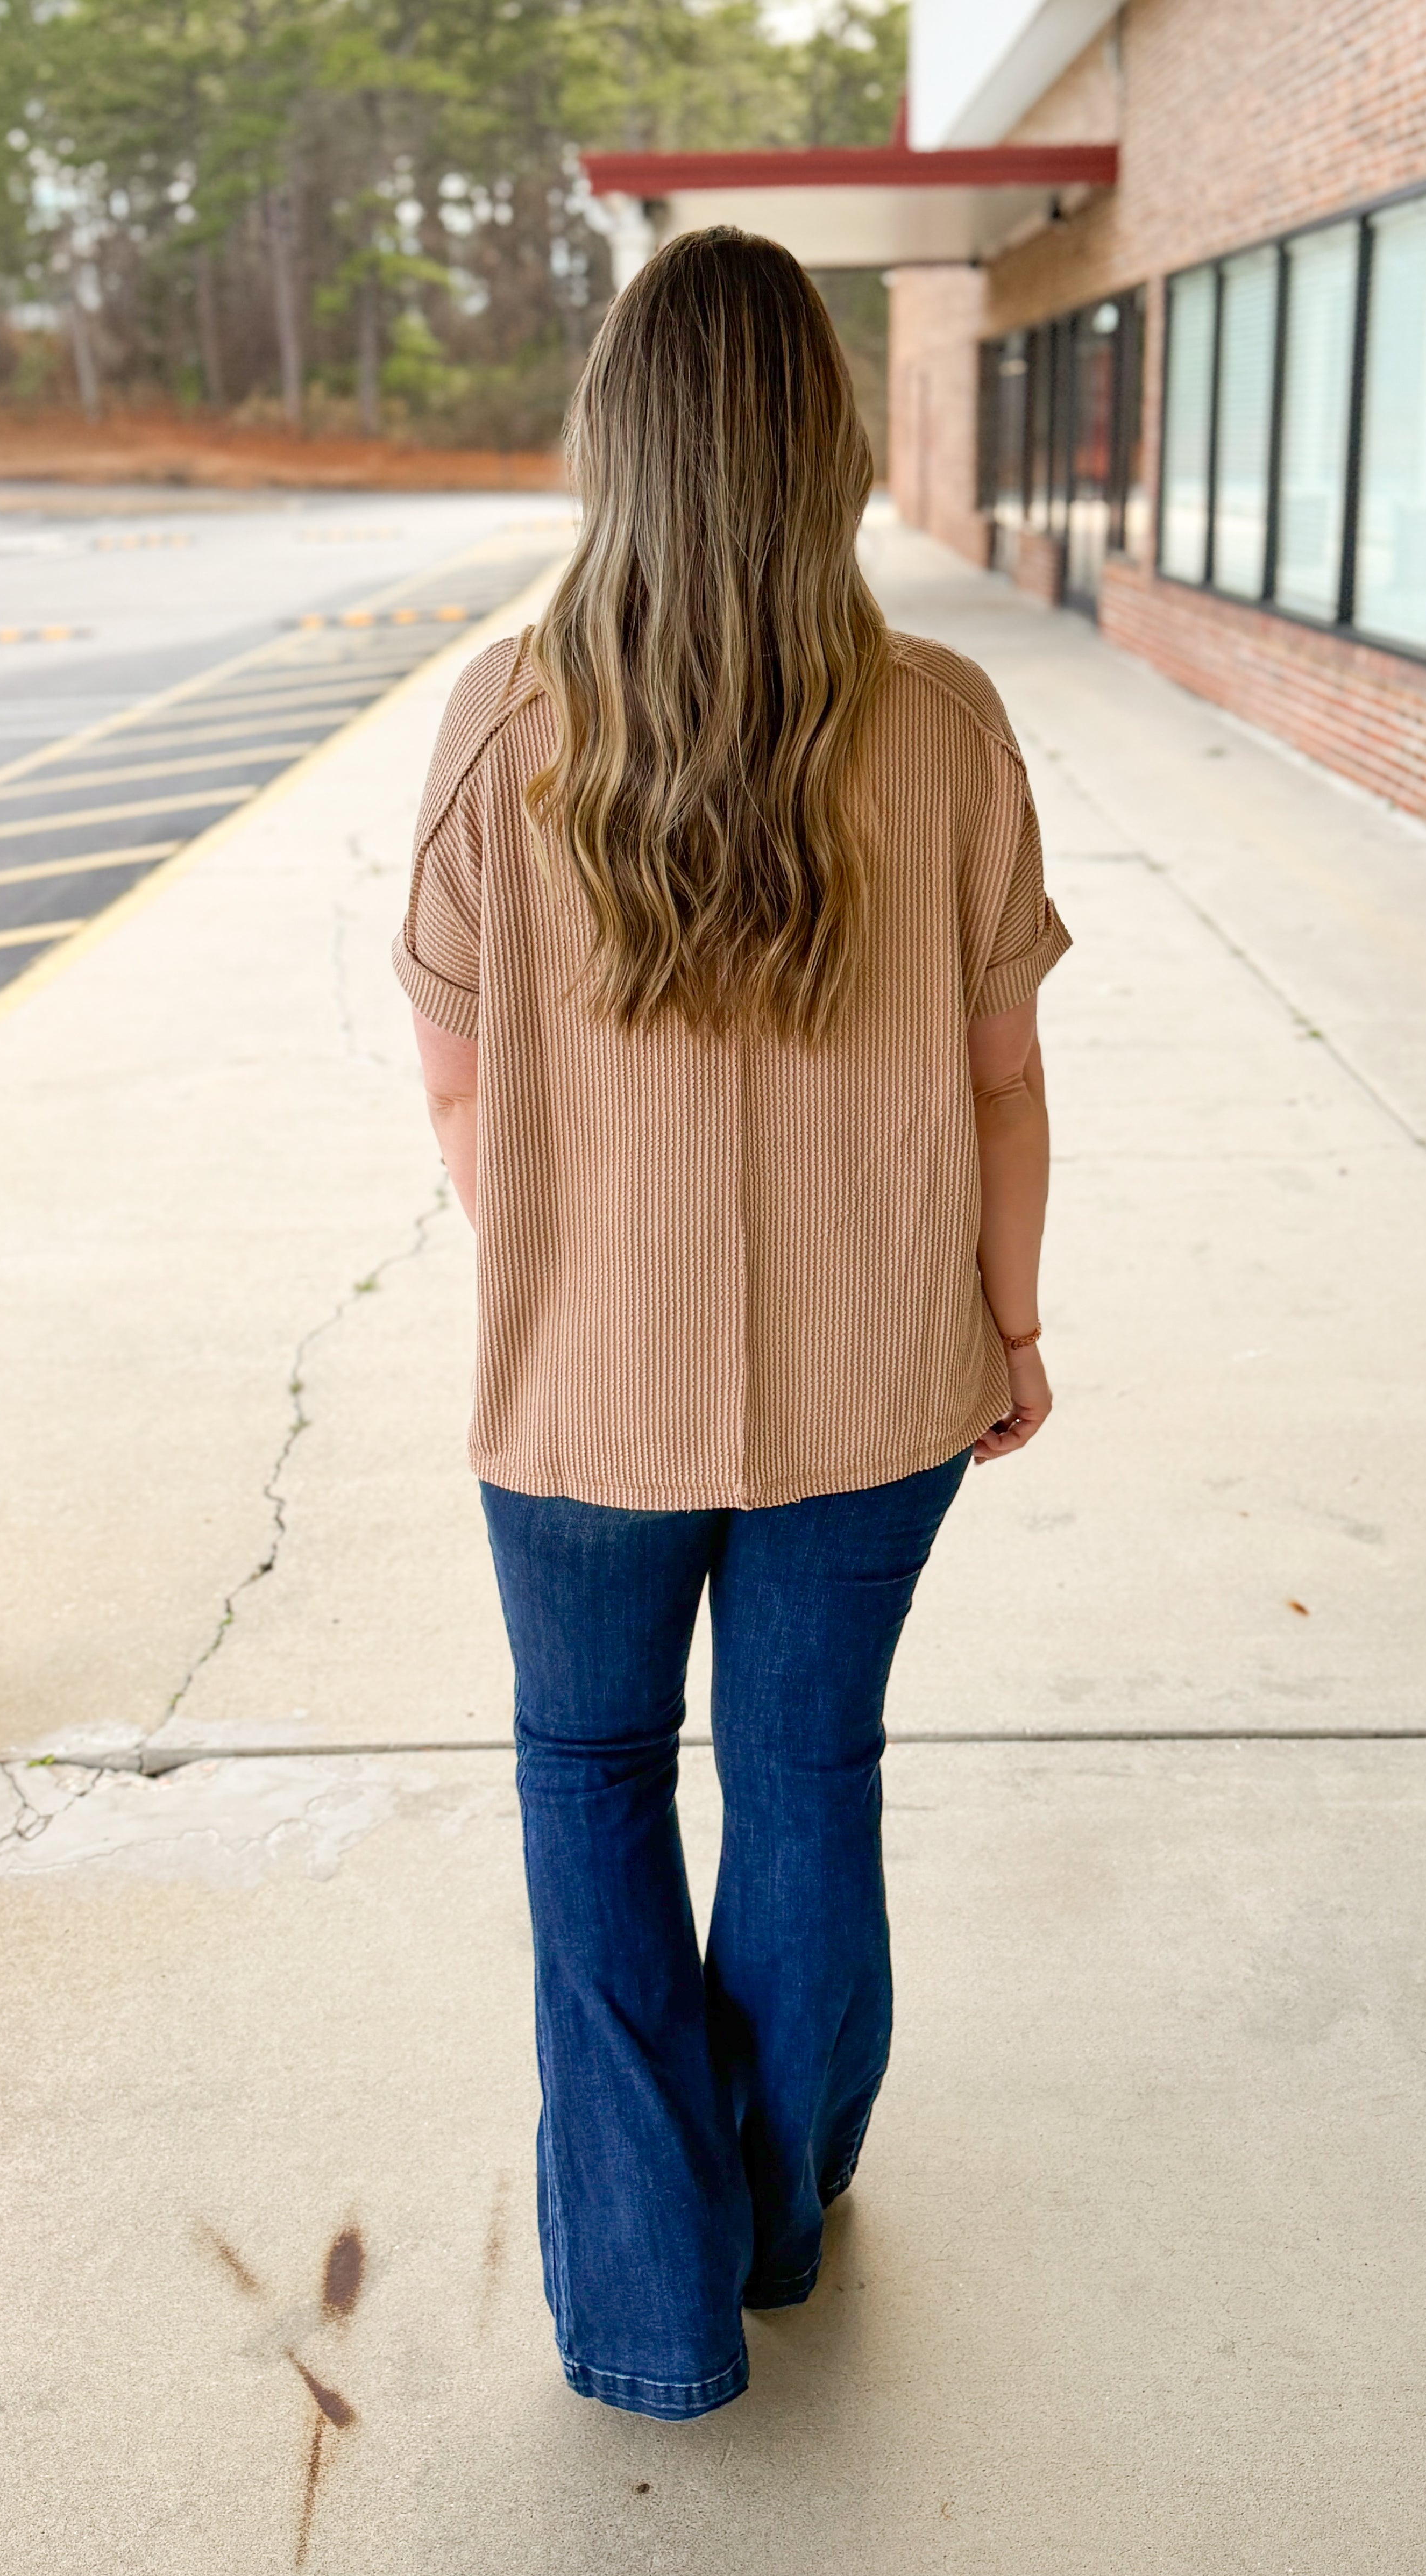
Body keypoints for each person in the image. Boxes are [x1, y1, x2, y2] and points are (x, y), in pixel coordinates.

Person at [395, 227, 1070, 2422]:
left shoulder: (504, 712)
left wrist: (581, 1292)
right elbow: (999, 1081)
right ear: (828, 447)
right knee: (806, 1776)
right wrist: (1008, 1316)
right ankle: (778, 2219)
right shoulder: (946, 725)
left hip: (581, 1401)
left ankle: (651, 2309)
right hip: (879, 1382)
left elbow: (460, 1080)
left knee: (588, 1783)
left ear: (625, 442)